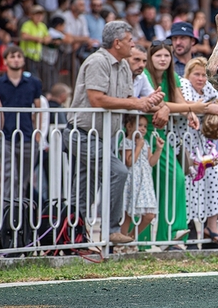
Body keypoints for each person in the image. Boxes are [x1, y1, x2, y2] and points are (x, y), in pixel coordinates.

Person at [62, 21, 165, 245]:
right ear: (117, 43)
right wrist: (139, 104)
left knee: (83, 191)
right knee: (118, 171)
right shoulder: (98, 61)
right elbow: (97, 99)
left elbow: (129, 100)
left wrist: (152, 103)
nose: (133, 44)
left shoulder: (123, 66)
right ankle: (110, 229)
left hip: (99, 135)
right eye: (129, 40)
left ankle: (72, 239)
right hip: (83, 133)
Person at [141, 39, 200, 247]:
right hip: (141, 133)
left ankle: (172, 233)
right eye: (158, 55)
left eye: (167, 55)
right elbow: (155, 103)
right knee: (143, 187)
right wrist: (170, 107)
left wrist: (190, 112)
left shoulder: (172, 76)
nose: (163, 59)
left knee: (175, 179)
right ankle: (141, 241)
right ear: (150, 57)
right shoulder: (144, 75)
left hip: (160, 136)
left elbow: (179, 103)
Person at [180, 57, 218, 246]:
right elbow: (190, 104)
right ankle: (190, 230)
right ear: (188, 75)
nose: (201, 78)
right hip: (185, 145)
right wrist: (208, 107)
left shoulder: (206, 88)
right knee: (190, 186)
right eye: (197, 74)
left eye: (203, 75)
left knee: (216, 179)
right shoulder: (183, 84)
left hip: (203, 146)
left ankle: (211, 228)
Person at [0, 46, 43, 200]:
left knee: (23, 179)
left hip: (27, 135)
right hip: (6, 136)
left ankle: (18, 215)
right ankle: (8, 214)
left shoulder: (33, 83)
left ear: (23, 60)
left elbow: (38, 108)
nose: (15, 59)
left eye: (18, 56)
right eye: (12, 56)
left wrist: (38, 134)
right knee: (10, 176)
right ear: (5, 60)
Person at [119, 115, 164, 243]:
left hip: (145, 182)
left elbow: (151, 162)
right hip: (132, 181)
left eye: (145, 126)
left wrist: (158, 149)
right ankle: (121, 242)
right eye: (140, 125)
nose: (143, 129)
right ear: (129, 127)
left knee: (149, 215)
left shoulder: (145, 143)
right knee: (128, 214)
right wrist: (138, 146)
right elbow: (129, 161)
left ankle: (131, 237)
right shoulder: (126, 142)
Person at [19, 4, 51, 85]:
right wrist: (37, 39)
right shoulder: (27, 24)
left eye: (41, 14)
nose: (39, 16)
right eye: (37, 14)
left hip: (38, 56)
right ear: (31, 15)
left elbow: (47, 37)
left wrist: (45, 39)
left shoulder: (42, 26)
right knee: (30, 76)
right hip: (27, 55)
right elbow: (24, 35)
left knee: (40, 76)